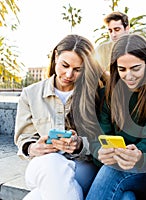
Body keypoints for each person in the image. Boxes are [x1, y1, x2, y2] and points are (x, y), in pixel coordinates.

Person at [14, 34, 107, 200]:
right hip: (42, 164)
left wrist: (79, 145)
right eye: (65, 65)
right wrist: (33, 147)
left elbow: (102, 139)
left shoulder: (95, 95)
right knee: (52, 163)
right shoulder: (31, 94)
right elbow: (23, 138)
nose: (69, 74)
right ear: (56, 56)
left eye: (78, 70)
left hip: (82, 166)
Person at [85, 34, 146, 200]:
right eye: (122, 69)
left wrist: (138, 155)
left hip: (145, 171)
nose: (128, 76)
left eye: (135, 68)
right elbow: (98, 137)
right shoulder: (106, 95)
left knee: (114, 169)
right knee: (126, 198)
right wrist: (100, 152)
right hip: (113, 170)